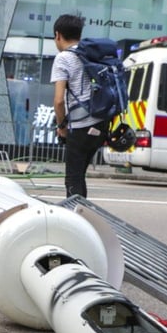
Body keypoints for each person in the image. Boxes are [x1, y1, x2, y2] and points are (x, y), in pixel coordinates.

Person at [51, 14, 109, 198]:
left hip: (81, 126)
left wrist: (62, 127)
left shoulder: (63, 58)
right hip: (101, 123)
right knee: (79, 175)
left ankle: (76, 219)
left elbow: (59, 100)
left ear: (57, 35)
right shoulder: (93, 54)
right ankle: (81, 215)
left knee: (72, 179)